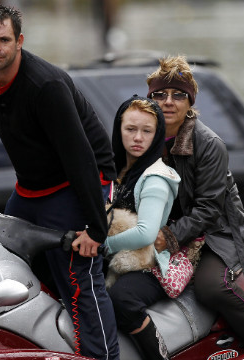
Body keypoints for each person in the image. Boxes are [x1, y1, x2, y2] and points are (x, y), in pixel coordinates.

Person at [0, 5, 119, 360]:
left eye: (5, 40)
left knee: (79, 279)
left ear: (19, 41)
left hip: (79, 181)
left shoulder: (46, 86)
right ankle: (47, 343)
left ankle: (103, 354)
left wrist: (96, 230)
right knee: (9, 260)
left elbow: (81, 160)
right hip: (31, 187)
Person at [147, 55, 244, 349]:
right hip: (173, 230)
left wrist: (168, 238)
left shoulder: (209, 144)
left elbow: (208, 210)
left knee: (211, 288)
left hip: (220, 233)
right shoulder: (146, 137)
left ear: (190, 102)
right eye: (160, 95)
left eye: (178, 95)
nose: (168, 102)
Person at [103, 96, 181, 360]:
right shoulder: (114, 169)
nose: (138, 138)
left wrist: (103, 246)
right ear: (118, 129)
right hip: (113, 257)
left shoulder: (155, 178)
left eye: (147, 131)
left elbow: (146, 233)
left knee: (121, 300)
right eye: (130, 129)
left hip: (148, 263)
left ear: (157, 134)